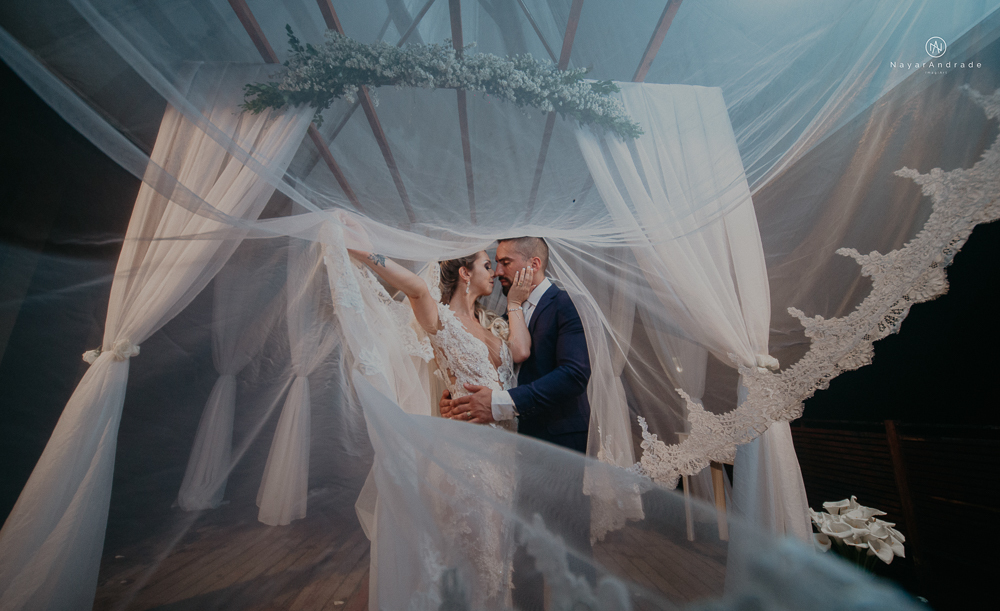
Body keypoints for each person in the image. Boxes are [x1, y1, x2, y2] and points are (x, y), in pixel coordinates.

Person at [345, 238, 534, 608]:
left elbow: (522, 351)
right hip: (468, 458)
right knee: (471, 563)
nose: (494, 272)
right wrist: (360, 245)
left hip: (504, 461)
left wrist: (514, 306)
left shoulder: (492, 327)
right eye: (485, 265)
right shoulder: (441, 321)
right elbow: (415, 288)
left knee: (497, 560)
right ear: (465, 274)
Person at [441, 237, 593, 610]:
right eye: (494, 262)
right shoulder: (513, 311)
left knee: (568, 544)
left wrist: (500, 403)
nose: (499, 271)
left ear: (534, 264)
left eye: (506, 262)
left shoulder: (560, 304)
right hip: (515, 447)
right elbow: (508, 366)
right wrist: (456, 397)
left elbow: (575, 373)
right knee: (522, 546)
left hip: (557, 440)